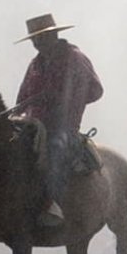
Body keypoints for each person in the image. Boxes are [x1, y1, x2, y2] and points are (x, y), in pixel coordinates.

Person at [15, 13, 104, 225]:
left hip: (63, 127)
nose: (38, 43)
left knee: (55, 149)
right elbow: (22, 97)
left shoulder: (75, 58)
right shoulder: (35, 64)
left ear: (54, 34)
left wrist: (65, 101)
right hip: (33, 125)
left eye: (42, 38)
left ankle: (50, 205)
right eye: (35, 40)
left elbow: (95, 90)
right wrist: (18, 116)